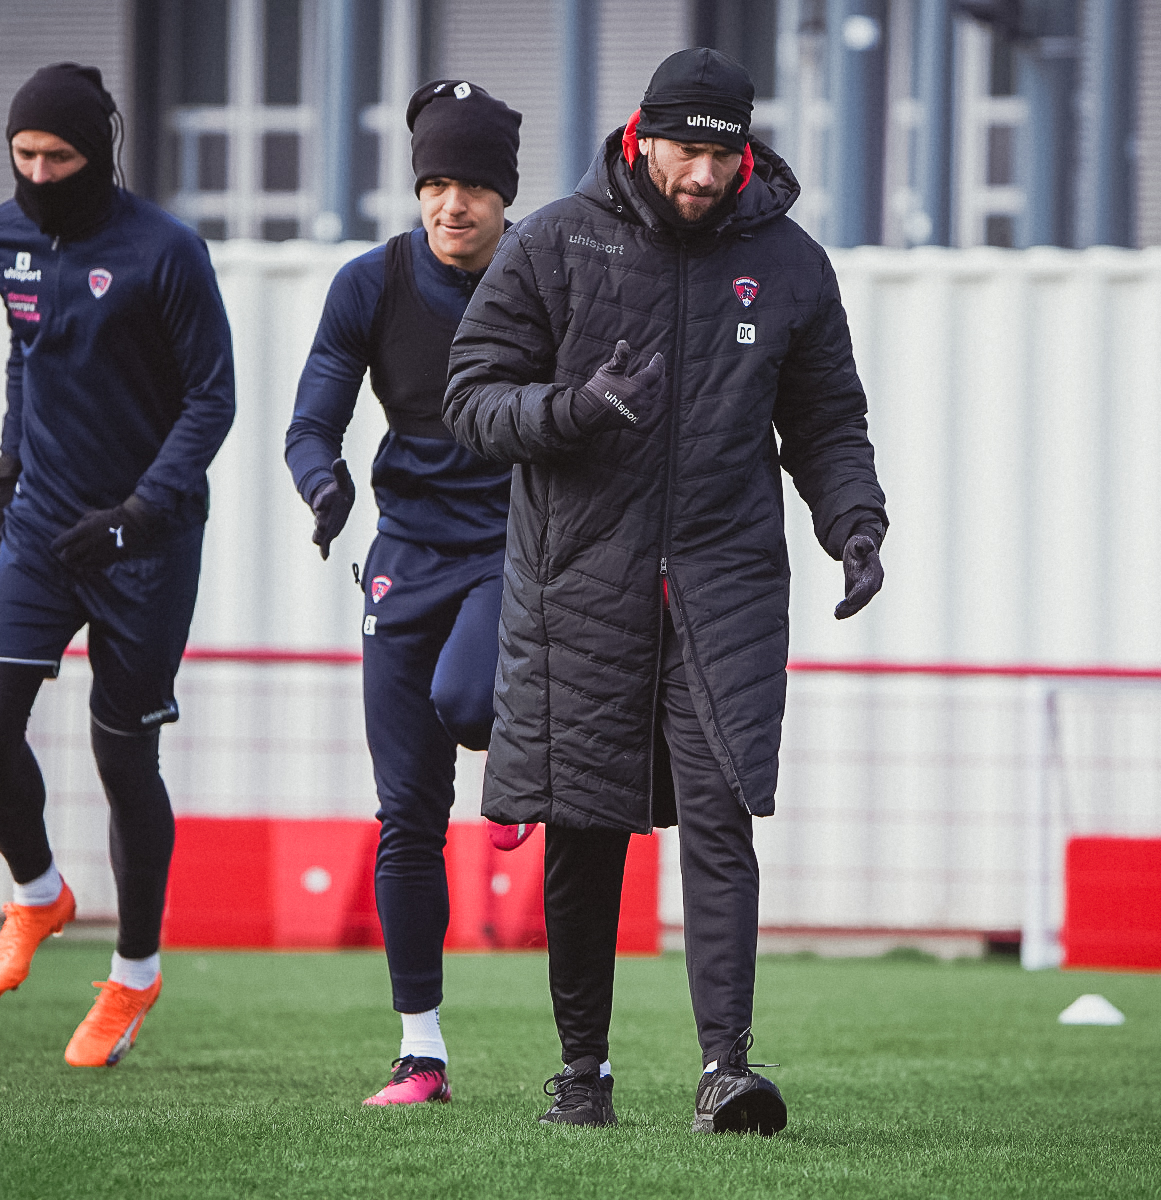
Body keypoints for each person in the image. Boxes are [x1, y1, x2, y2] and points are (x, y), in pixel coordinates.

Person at [445, 47, 888, 1134]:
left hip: (725, 578)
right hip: (576, 578)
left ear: (746, 150)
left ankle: (725, 1070)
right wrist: (572, 411)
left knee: (725, 809)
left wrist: (856, 525)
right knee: (584, 824)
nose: (702, 174)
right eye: (686, 150)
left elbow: (827, 422)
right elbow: (471, 400)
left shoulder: (789, 266)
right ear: (643, 137)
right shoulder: (554, 240)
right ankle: (581, 1075)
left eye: (721, 154)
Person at [0, 63, 235, 1068]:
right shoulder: (5, 238)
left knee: (125, 760)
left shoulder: (165, 251)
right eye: (24, 156)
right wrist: (8, 460)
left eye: (58, 157)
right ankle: (38, 896)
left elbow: (214, 399)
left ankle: (131, 976)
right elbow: (26, 352)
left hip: (148, 542)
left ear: (99, 153)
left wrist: (138, 512)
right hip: (42, 530)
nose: (38, 174)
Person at [284, 80, 521, 1107]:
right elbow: (310, 424)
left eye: (471, 184)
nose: (450, 204)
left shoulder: (544, 281)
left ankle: (525, 756)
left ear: (504, 197)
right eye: (434, 182)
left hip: (516, 549)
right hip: (405, 557)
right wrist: (323, 485)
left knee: (471, 700)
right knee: (405, 819)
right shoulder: (368, 285)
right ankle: (421, 1054)